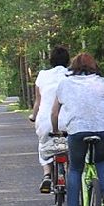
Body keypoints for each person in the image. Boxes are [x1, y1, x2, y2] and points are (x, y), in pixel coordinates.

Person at [49, 53, 104, 206]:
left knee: (75, 169)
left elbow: (54, 113)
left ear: (73, 66)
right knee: (102, 160)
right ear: (93, 66)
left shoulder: (64, 84)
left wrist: (56, 131)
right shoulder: (102, 82)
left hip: (77, 131)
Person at [28, 46, 70, 193]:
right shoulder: (72, 75)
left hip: (46, 120)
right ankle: (72, 177)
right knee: (71, 149)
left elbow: (38, 102)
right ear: (68, 60)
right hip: (69, 120)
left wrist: (33, 116)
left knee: (44, 145)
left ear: (51, 60)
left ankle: (47, 174)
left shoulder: (42, 75)